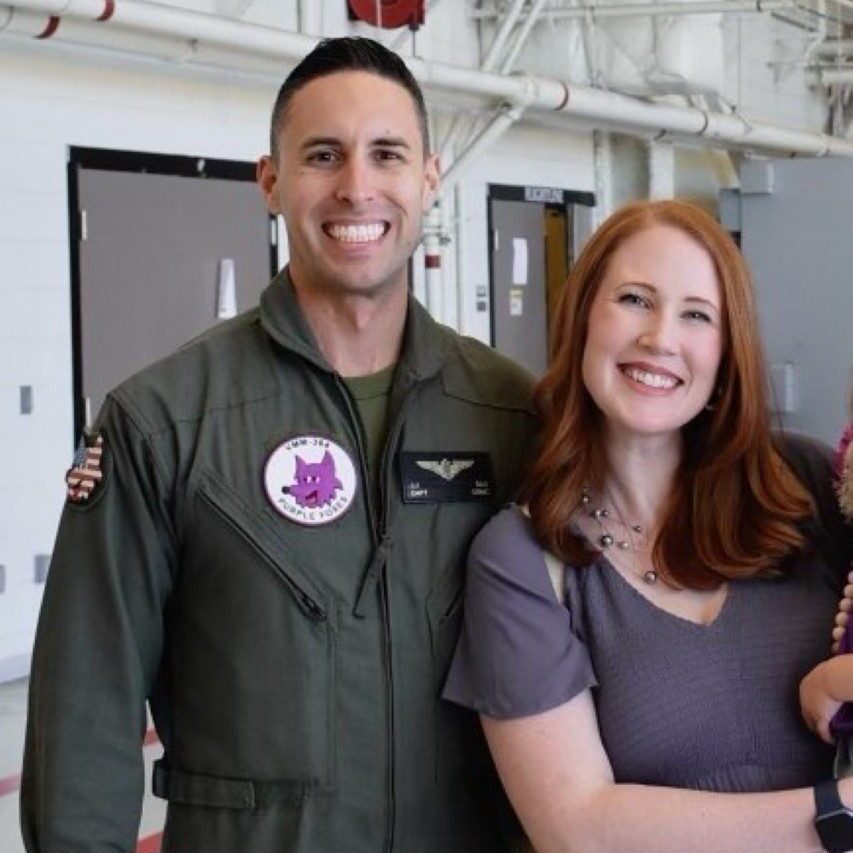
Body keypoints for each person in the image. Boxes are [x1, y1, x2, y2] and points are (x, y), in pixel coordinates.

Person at [21, 37, 535, 853]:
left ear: (429, 178)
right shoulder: (162, 422)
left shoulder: (513, 414)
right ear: (271, 181)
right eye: (322, 155)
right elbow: (88, 702)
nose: (356, 186)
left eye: (387, 154)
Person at [443, 199, 853, 852]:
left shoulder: (804, 483)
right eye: (634, 299)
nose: (660, 337)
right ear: (581, 320)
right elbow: (578, 828)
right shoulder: (520, 559)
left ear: (726, 352)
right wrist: (836, 814)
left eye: (696, 314)